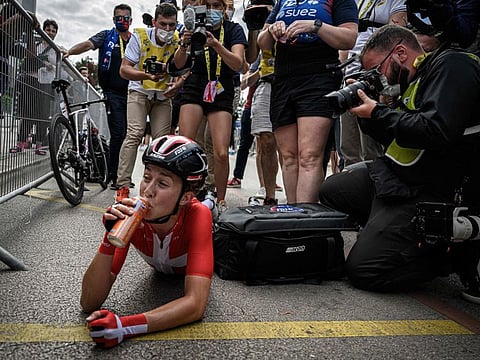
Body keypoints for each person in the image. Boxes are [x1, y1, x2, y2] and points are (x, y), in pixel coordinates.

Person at [319, 25, 480, 303]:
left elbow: (437, 131)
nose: (377, 78)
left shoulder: (453, 66)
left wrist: (379, 112)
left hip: (429, 189)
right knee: (332, 190)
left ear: (400, 53)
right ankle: (387, 233)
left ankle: (450, 258)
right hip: (397, 178)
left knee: (364, 271)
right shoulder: (414, 77)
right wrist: (367, 113)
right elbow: (395, 135)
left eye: (377, 70)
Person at [81, 135, 213, 348]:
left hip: (200, 246)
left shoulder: (197, 215)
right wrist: (108, 237)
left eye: (162, 183)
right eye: (146, 177)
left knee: (208, 211)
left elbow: (195, 305)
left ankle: (212, 202)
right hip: (165, 269)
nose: (147, 190)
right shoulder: (132, 216)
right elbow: (88, 302)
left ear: (185, 198)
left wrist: (125, 327)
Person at [257, 0, 358, 204]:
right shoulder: (283, 1)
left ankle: (306, 222)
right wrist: (271, 31)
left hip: (318, 77)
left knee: (309, 156)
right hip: (283, 79)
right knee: (289, 156)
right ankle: (292, 218)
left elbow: (349, 38)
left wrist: (316, 26)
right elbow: (262, 42)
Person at [173, 0, 247, 213]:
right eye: (207, 5)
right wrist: (184, 43)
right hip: (195, 86)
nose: (212, 10)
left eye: (217, 5)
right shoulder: (192, 27)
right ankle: (184, 195)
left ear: (224, 9)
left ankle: (221, 201)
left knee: (221, 152)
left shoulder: (233, 29)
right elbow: (178, 65)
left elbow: (238, 64)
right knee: (185, 146)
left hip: (221, 88)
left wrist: (215, 44)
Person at [116, 3, 183, 200]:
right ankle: (123, 186)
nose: (168, 30)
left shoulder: (179, 40)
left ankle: (154, 188)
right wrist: (146, 74)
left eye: (172, 25)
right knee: (134, 134)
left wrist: (177, 84)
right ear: (154, 22)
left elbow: (183, 70)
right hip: (139, 91)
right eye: (163, 24)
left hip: (163, 96)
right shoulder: (140, 35)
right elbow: (124, 69)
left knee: (161, 144)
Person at [63, 4, 133, 190]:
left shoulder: (135, 40)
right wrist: (70, 51)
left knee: (130, 135)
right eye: (118, 17)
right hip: (112, 92)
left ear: (131, 21)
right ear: (113, 19)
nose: (122, 21)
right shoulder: (106, 35)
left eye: (125, 18)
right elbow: (88, 44)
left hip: (133, 93)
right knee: (118, 133)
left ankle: (123, 174)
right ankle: (113, 175)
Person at [339, 0, 407, 167]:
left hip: (375, 77)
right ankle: (350, 188)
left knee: (371, 148)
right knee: (348, 147)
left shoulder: (397, 2)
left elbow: (395, 36)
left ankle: (374, 189)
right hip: (350, 75)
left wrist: (385, 88)